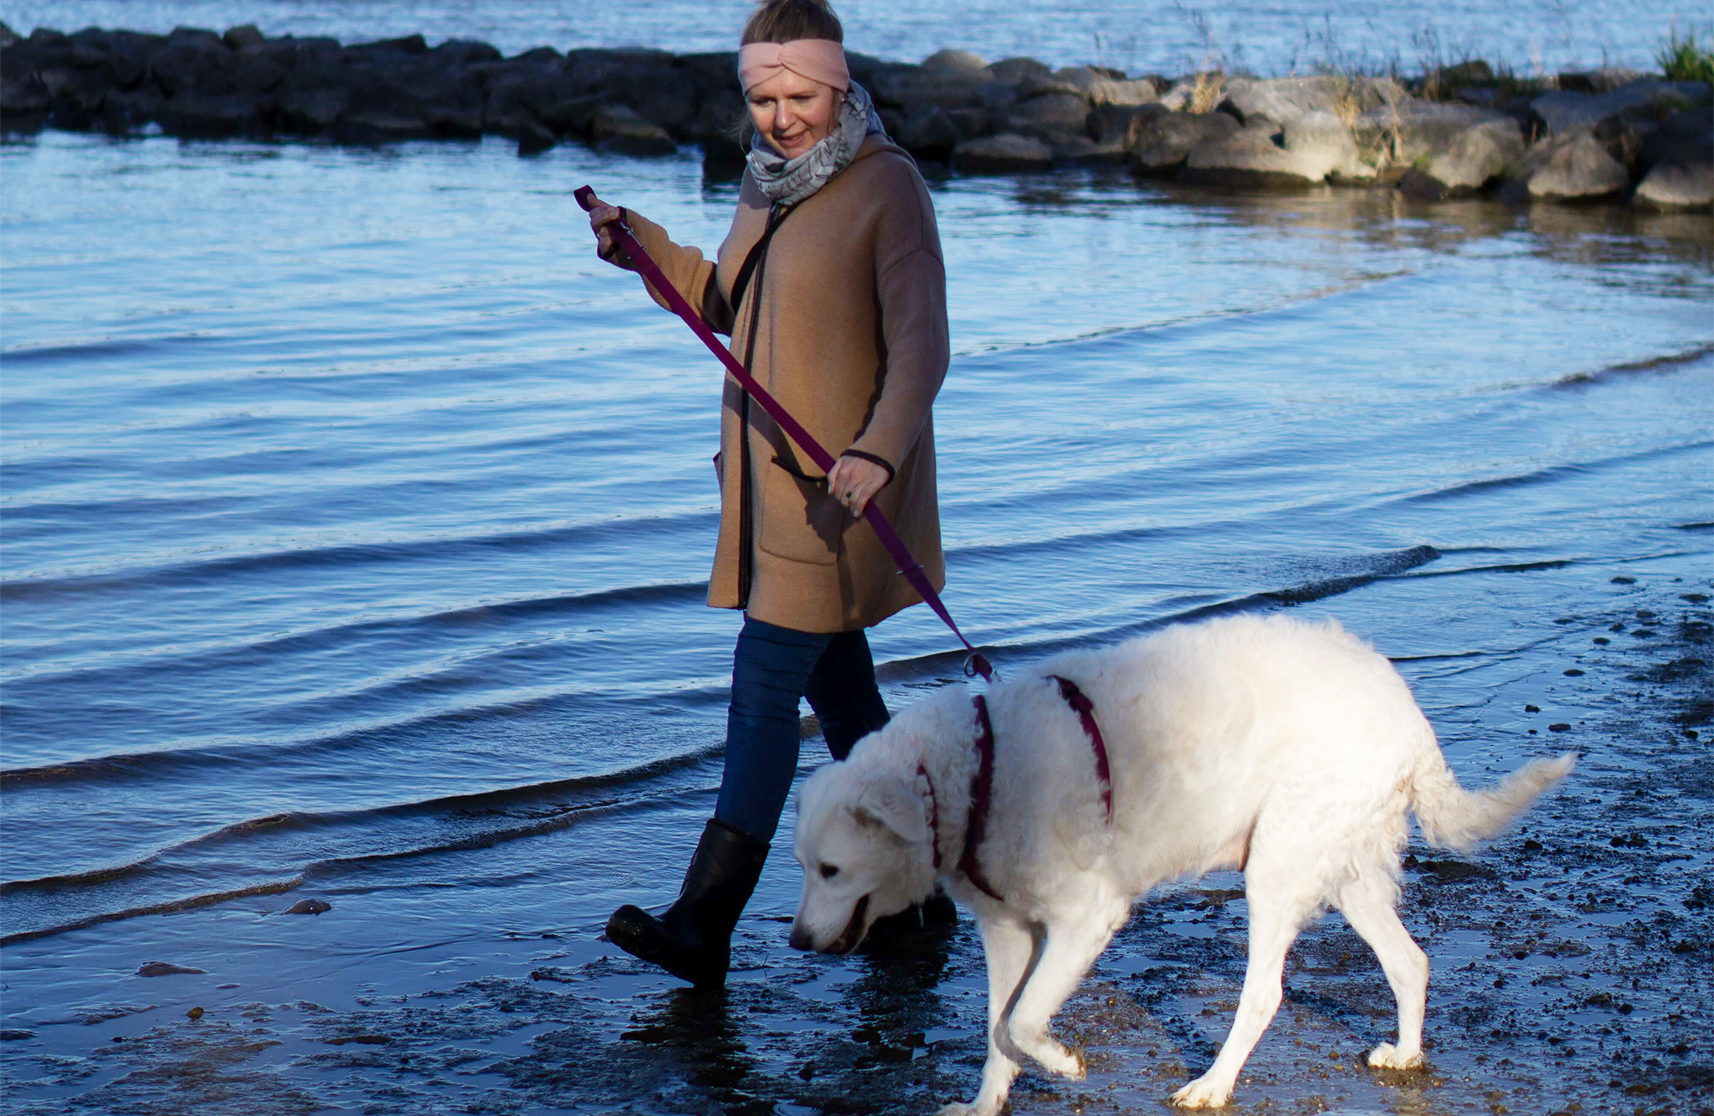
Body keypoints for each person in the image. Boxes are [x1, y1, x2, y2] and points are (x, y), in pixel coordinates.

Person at [586, 0, 951, 988]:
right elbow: (723, 303)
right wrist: (643, 248)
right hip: (765, 495)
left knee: (760, 697)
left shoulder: (889, 190)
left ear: (837, 84)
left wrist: (875, 451)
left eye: (797, 95)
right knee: (847, 704)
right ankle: (917, 897)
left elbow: (922, 349)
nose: (780, 116)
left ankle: (704, 922)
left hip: (839, 503)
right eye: (761, 97)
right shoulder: (763, 182)